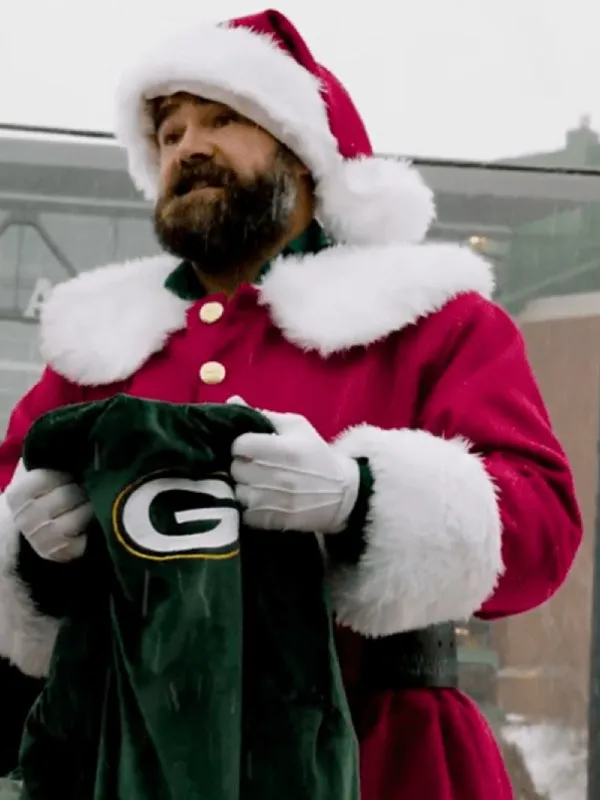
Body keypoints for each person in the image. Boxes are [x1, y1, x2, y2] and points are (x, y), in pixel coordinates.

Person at [0, 8, 582, 799]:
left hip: (386, 760)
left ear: (304, 150)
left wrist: (362, 499)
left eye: (223, 118)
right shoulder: (94, 346)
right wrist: (28, 557)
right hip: (134, 762)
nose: (188, 146)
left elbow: (542, 532)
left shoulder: (431, 320)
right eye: (169, 133)